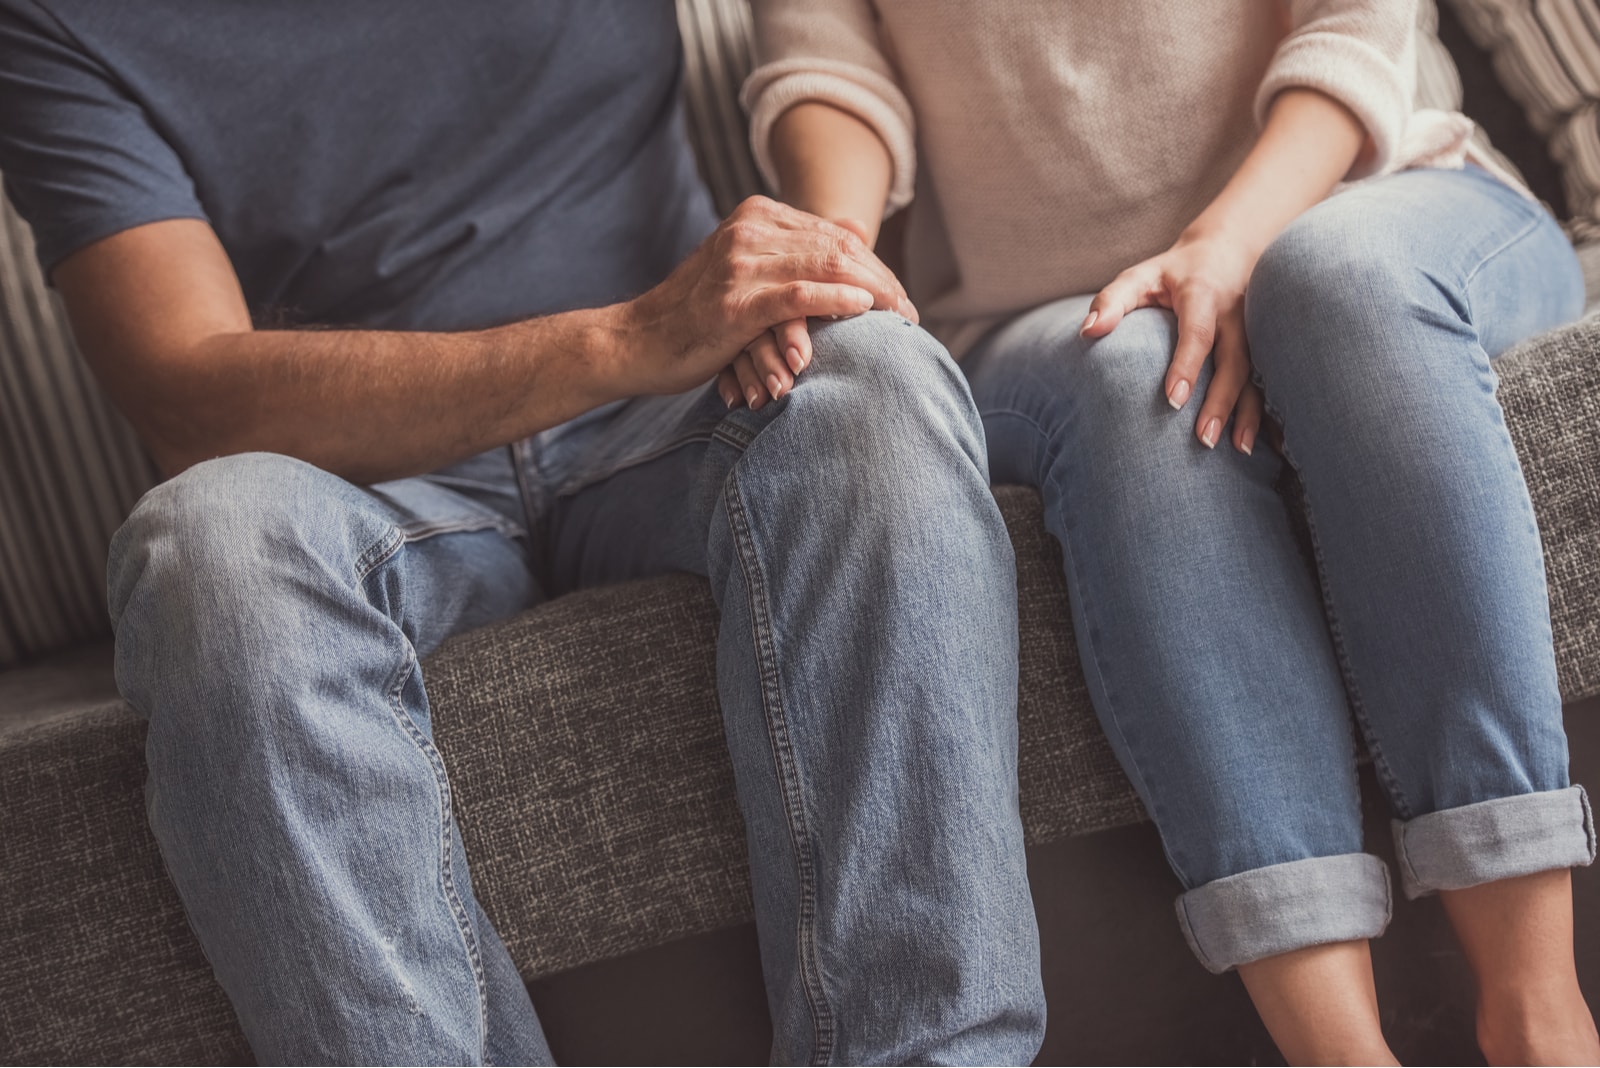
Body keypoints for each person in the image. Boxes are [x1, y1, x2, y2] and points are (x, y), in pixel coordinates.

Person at [0, 2, 1049, 1063]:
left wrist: (817, 254)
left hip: (684, 413)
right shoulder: (59, 23)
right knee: (209, 544)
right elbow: (189, 398)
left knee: (875, 377)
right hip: (369, 481)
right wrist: (629, 336)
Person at [743, 0, 1598, 1062]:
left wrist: (1227, 243)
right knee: (1139, 375)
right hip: (1050, 307)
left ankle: (1539, 1017)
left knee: (1335, 282)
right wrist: (832, 263)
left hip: (1384, 196)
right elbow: (832, 74)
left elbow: (1356, 22)